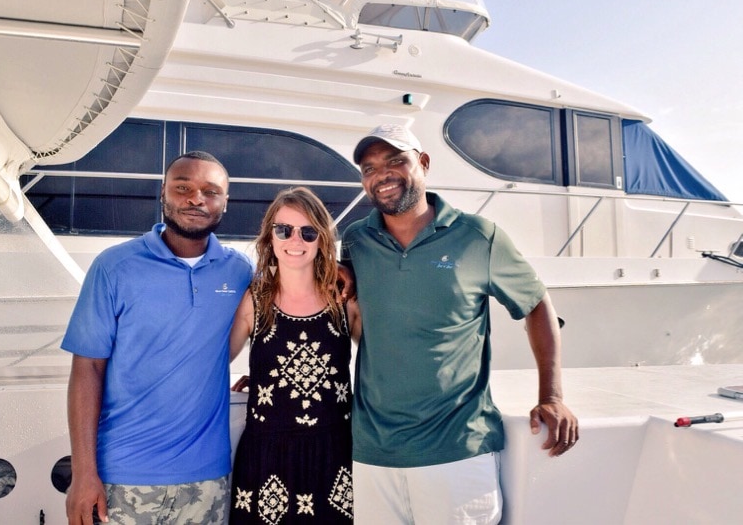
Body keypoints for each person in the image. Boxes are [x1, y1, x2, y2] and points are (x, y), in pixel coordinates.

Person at [340, 124, 579, 524]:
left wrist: (551, 395)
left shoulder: (477, 236)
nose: (381, 175)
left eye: (396, 161)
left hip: (457, 452)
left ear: (424, 163)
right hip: (371, 453)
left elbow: (537, 305)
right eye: (369, 168)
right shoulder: (355, 240)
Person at [62, 151, 253, 525]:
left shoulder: (240, 269)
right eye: (183, 187)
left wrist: (342, 272)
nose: (196, 199)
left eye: (210, 191)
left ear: (225, 202)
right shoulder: (114, 267)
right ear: (163, 192)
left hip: (208, 479)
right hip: (122, 478)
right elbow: (87, 370)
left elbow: (293, 301)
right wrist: (83, 474)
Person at [227, 187, 361, 524]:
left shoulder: (342, 299)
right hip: (266, 456)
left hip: (334, 455)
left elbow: (384, 359)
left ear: (322, 239)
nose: (294, 240)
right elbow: (212, 362)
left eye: (308, 231)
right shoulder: (254, 300)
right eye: (283, 229)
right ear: (270, 236)